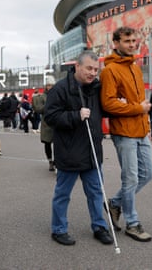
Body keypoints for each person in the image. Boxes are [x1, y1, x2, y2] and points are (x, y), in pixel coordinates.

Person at [44, 50, 113, 246]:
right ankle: (58, 229)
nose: (93, 73)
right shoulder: (60, 89)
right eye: (89, 68)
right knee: (62, 194)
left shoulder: (97, 88)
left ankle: (99, 226)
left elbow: (106, 109)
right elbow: (50, 116)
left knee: (95, 193)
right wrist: (75, 115)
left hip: (92, 152)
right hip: (70, 152)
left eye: (95, 69)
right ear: (77, 66)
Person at [100, 26, 152, 242]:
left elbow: (137, 102)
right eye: (127, 41)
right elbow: (108, 103)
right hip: (124, 132)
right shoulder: (110, 70)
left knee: (148, 173)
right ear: (116, 44)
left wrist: (145, 122)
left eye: (133, 41)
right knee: (130, 178)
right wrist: (138, 109)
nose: (132, 44)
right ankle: (132, 223)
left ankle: (114, 203)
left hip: (141, 131)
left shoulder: (135, 67)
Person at [32, 76, 56, 172]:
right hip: (46, 123)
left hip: (56, 123)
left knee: (58, 144)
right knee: (47, 143)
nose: (49, 87)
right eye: (48, 85)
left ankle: (57, 161)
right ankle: (50, 161)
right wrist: (48, 106)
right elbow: (38, 109)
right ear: (45, 86)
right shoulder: (42, 97)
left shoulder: (57, 94)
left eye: (51, 85)